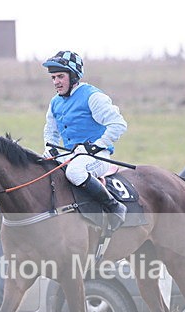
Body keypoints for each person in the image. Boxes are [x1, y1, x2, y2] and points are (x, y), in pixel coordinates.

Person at [42, 50, 128, 230]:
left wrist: (96, 147)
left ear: (73, 76)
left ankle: (114, 207)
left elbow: (118, 124)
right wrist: (50, 149)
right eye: (53, 78)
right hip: (72, 155)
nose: (56, 82)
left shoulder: (92, 96)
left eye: (60, 76)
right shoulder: (55, 102)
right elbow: (50, 131)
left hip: (98, 157)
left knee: (74, 172)